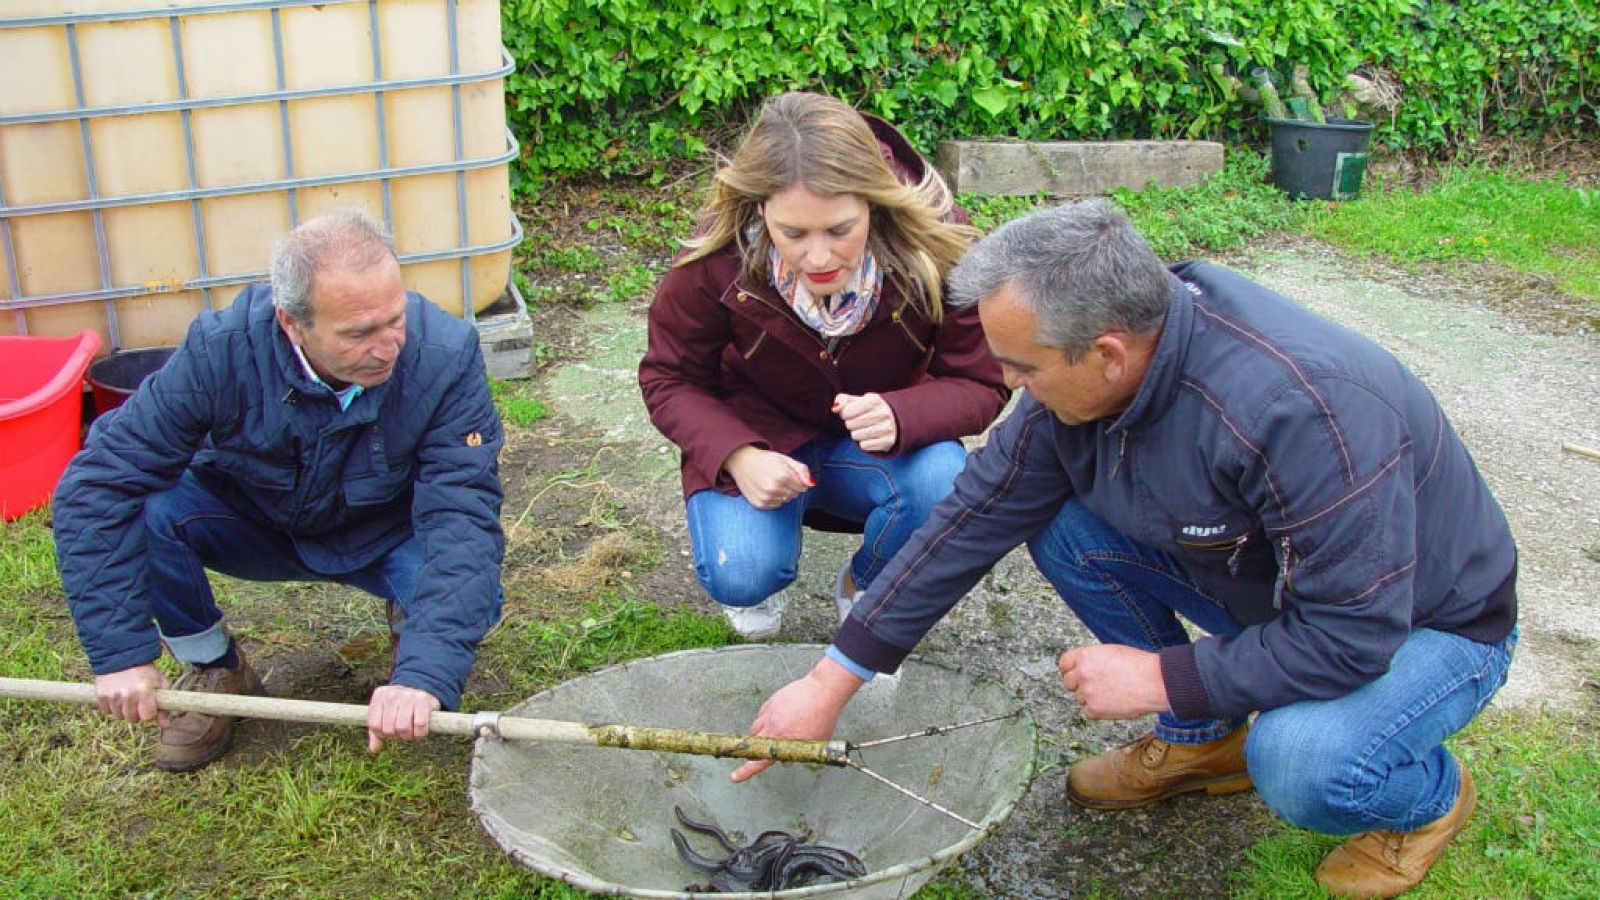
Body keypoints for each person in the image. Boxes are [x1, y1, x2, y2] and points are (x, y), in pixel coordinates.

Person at [732, 200, 1518, 899]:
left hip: (1423, 623)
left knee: (1302, 761)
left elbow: (1351, 635)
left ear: (1107, 353)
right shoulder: (1095, 362)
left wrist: (1161, 676)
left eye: (1023, 368)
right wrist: (833, 680)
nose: (1007, 384)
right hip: (1279, 591)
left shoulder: (1304, 410)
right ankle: (1204, 741)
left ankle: (1428, 799)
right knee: (1060, 522)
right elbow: (975, 514)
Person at [53, 208, 506, 772]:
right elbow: (98, 483)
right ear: (292, 324)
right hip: (257, 521)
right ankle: (215, 667)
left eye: (394, 320)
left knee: (473, 595)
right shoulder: (221, 350)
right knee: (149, 507)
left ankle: (412, 641)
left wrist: (425, 674)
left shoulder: (445, 354)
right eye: (358, 334)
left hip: (387, 534)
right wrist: (120, 654)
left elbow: (462, 516)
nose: (388, 346)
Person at [638, 92, 1009, 639]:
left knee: (944, 479)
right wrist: (737, 454)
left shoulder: (940, 242)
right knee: (741, 572)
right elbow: (668, 378)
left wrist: (903, 413)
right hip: (758, 436)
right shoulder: (714, 255)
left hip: (879, 449)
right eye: (793, 233)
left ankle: (867, 586)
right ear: (760, 209)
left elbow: (982, 380)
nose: (817, 258)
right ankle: (759, 566)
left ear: (875, 204)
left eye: (840, 230)